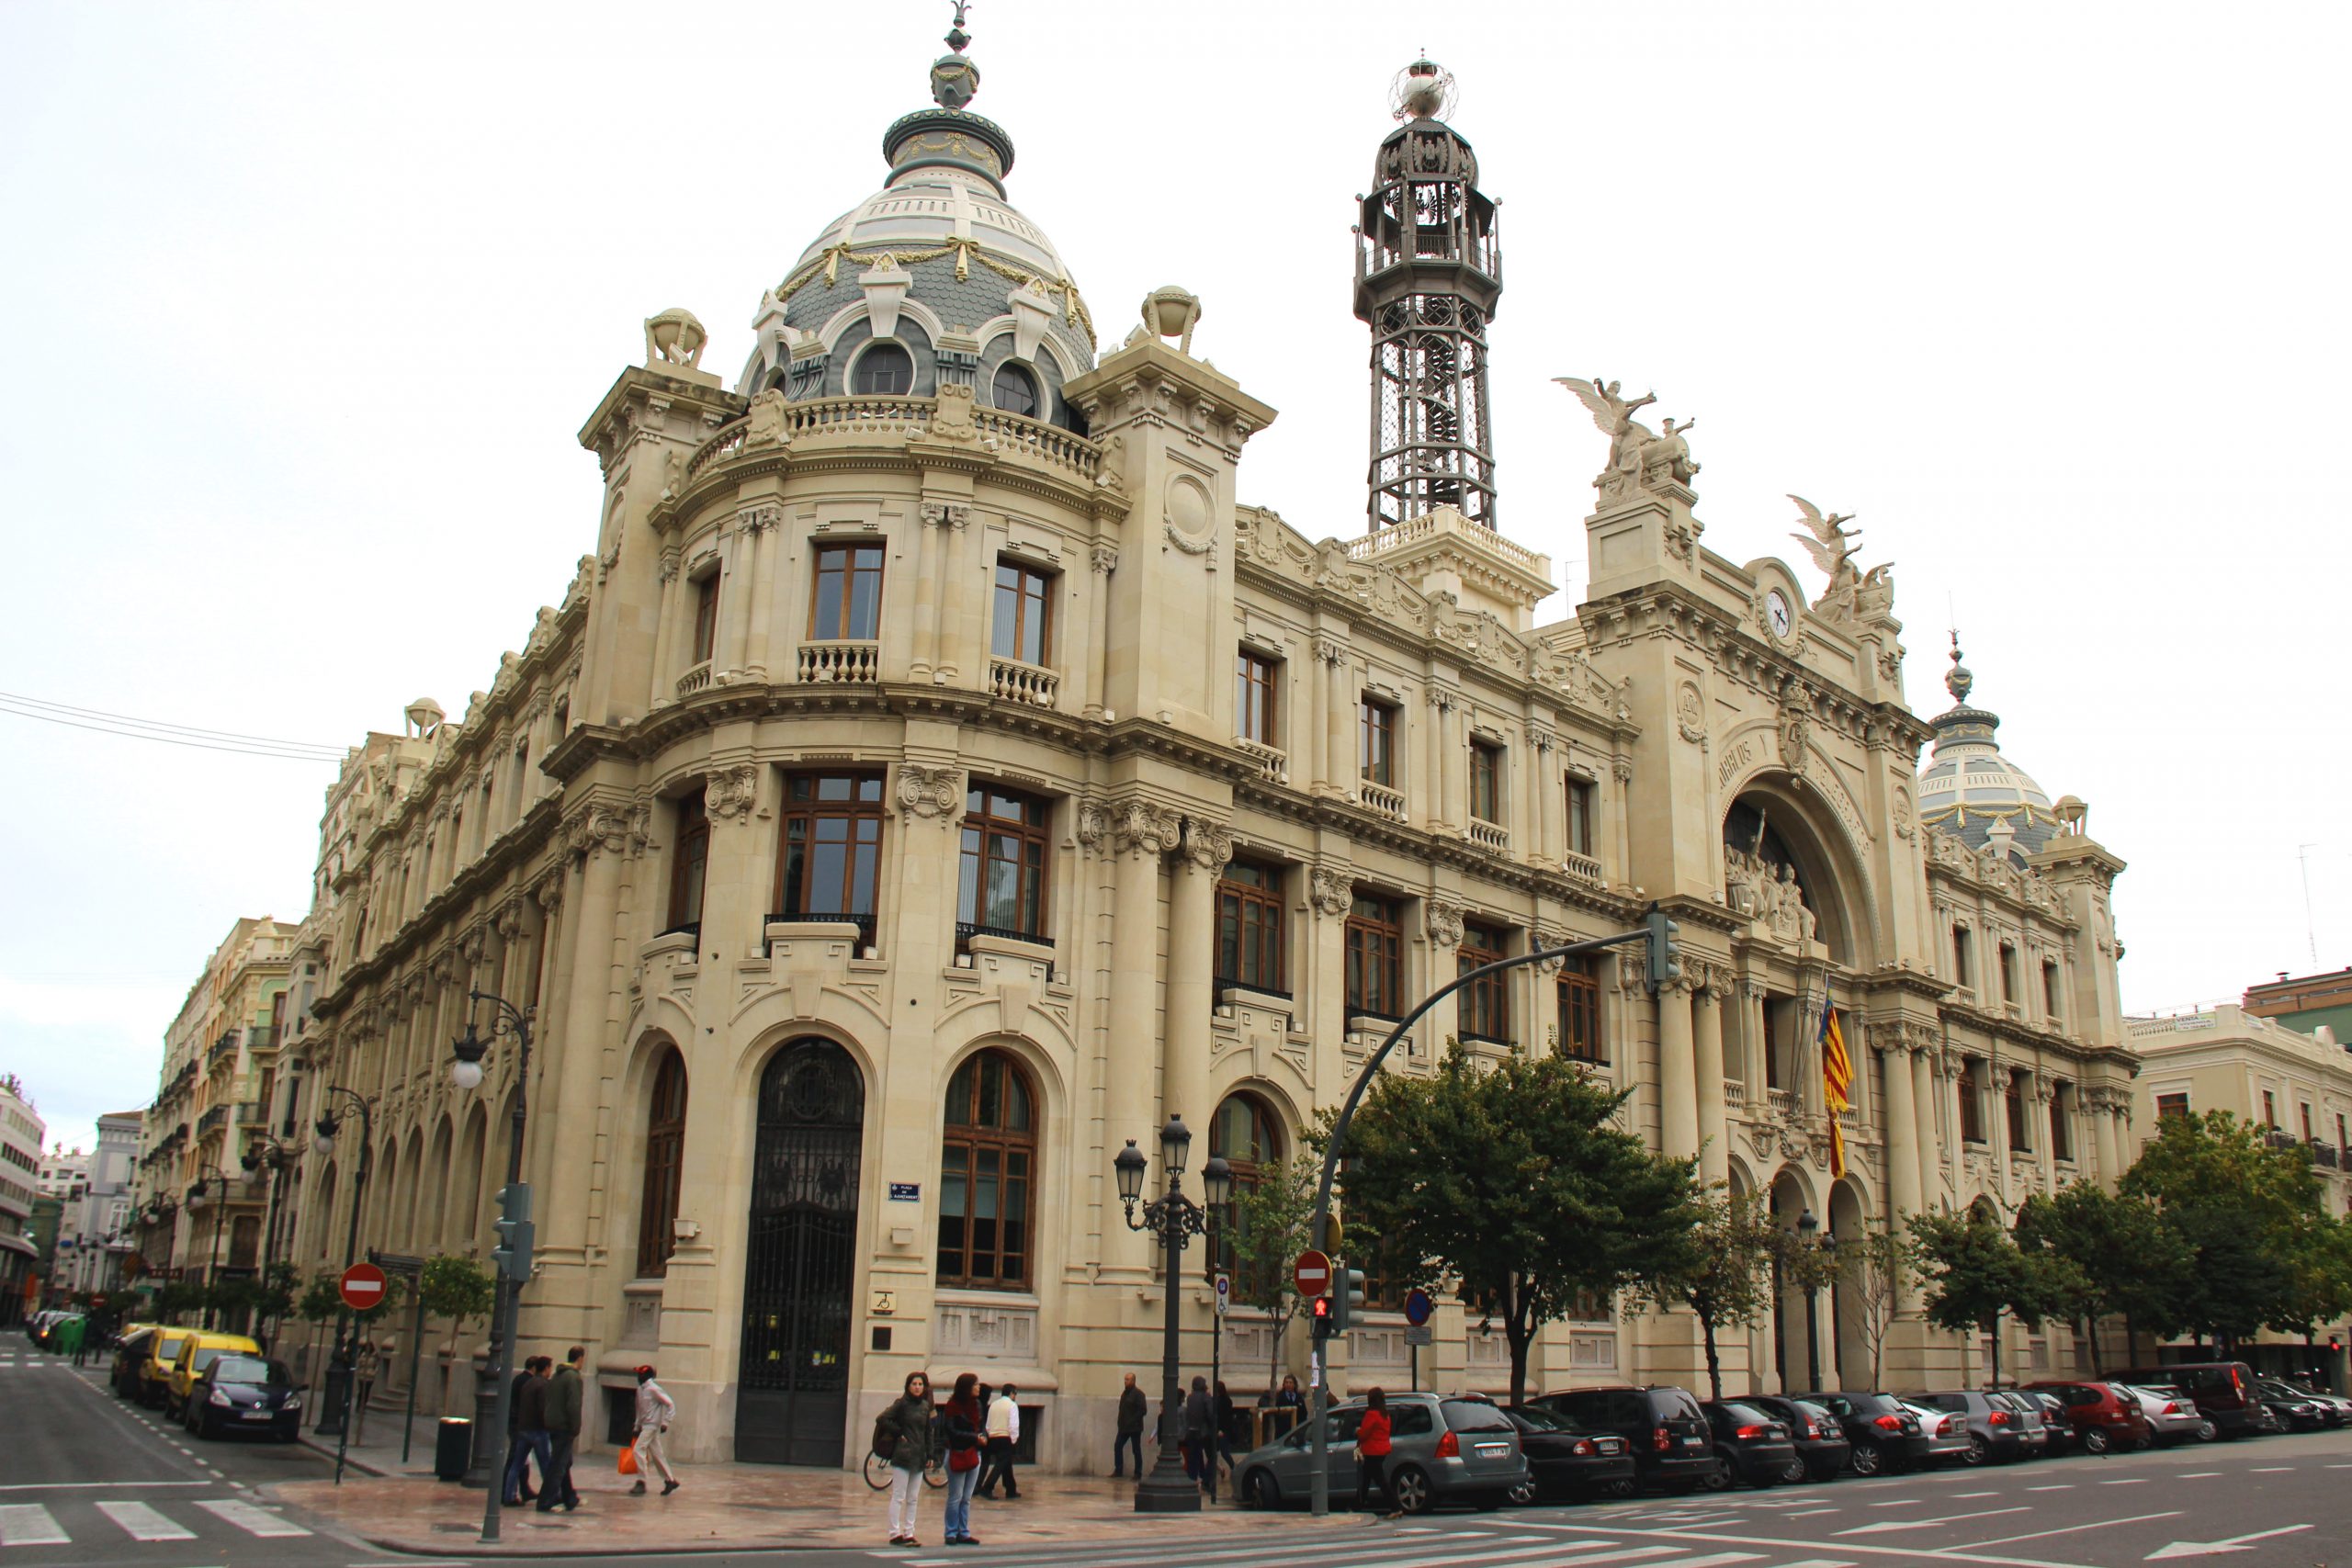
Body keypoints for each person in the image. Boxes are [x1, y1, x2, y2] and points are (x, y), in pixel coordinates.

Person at [878, 1371, 935, 1548]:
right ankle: (895, 1533)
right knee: (898, 1496)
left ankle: (909, 1532)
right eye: (914, 1384)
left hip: (919, 1456)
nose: (917, 1387)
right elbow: (882, 1418)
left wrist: (931, 1454)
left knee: (913, 1497)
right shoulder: (902, 1404)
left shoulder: (926, 1406)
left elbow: (928, 1432)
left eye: (920, 1384)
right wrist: (898, 1433)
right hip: (903, 1455)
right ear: (908, 1386)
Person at [537, 1346, 584, 1513]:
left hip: (553, 1424)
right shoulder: (573, 1378)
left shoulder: (557, 1375)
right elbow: (574, 1404)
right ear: (580, 1359)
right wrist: (575, 1427)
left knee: (563, 1462)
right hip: (564, 1426)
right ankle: (545, 1501)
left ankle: (569, 1497)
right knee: (558, 1465)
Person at [940, 1371, 985, 1546]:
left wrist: (983, 1436)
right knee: (955, 1496)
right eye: (975, 1384)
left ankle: (963, 1531)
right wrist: (974, 1437)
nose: (978, 1387)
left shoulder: (977, 1405)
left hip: (973, 1453)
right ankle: (951, 1531)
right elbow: (951, 1431)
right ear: (967, 1387)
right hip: (957, 1453)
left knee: (966, 1497)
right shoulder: (953, 1406)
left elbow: (980, 1426)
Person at [503, 1356, 550, 1507]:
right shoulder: (543, 1385)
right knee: (545, 1465)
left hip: (523, 1428)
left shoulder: (527, 1383)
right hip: (537, 1430)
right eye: (550, 1367)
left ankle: (509, 1495)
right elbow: (543, 1409)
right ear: (546, 1368)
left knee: (517, 1464)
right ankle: (549, 1496)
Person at [628, 1364, 680, 1496]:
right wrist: (637, 1426)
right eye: (638, 1374)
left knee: (638, 1450)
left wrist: (666, 1422)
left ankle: (641, 1481)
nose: (639, 1377)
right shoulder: (640, 1390)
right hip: (645, 1425)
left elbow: (670, 1404)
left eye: (641, 1374)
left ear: (647, 1376)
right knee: (657, 1454)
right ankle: (670, 1480)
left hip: (652, 1426)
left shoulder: (654, 1389)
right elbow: (639, 1410)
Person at [975, 1382, 1021, 1499]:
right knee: (1001, 1463)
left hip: (992, 1437)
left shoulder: (993, 1405)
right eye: (1015, 1393)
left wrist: (990, 1434)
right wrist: (1014, 1439)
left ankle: (1011, 1489)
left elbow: (988, 1424)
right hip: (1005, 1437)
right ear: (1011, 1393)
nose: (1015, 1396)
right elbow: (1013, 1425)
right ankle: (987, 1487)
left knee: (1006, 1462)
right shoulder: (1012, 1405)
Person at [1355, 1386, 1395, 1518]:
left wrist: (1357, 1431)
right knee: (1366, 1478)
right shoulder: (1385, 1414)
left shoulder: (1371, 1414)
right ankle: (1358, 1504)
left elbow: (1364, 1433)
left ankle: (1395, 1507)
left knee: (1380, 1480)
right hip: (1382, 1450)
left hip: (1372, 1451)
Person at [1182, 1375, 1216, 1500]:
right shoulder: (1206, 1397)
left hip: (1191, 1431)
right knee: (1212, 1457)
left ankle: (1192, 1480)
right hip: (1204, 1432)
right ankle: (1206, 1480)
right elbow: (1211, 1414)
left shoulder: (1190, 1397)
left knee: (1193, 1457)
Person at [1112, 1371, 1147, 1478]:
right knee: (1118, 1446)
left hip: (1134, 1427)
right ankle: (1118, 1470)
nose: (1125, 1381)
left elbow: (1143, 1410)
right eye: (1125, 1379)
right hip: (1123, 1427)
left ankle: (1138, 1472)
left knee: (1136, 1449)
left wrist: (1132, 1420)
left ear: (1133, 1381)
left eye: (1127, 1379)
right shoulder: (1124, 1393)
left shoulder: (1139, 1394)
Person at [354, 1339, 380, 1441]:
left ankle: (363, 1406)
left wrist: (375, 1372)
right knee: (362, 1391)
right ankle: (359, 1405)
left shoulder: (375, 1355)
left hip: (370, 1376)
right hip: (361, 1375)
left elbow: (377, 1365)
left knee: (367, 1392)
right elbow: (359, 1363)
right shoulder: (363, 1354)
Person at [1213, 1379, 1238, 1483]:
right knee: (1212, 1453)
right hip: (1218, 1430)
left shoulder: (1225, 1401)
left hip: (1223, 1431)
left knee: (1224, 1452)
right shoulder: (1218, 1400)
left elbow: (1225, 1417)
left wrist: (1221, 1429)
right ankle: (1220, 1469)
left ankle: (1235, 1469)